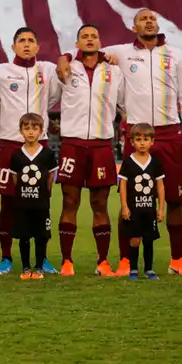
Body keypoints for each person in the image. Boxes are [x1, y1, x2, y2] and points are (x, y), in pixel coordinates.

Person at [61, 8, 182, 277]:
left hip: (170, 134)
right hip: (136, 136)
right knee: (132, 202)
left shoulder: (176, 54)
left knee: (174, 199)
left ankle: (177, 259)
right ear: (133, 27)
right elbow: (86, 50)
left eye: (153, 19)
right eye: (143, 19)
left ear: (158, 25)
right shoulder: (121, 52)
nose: (149, 22)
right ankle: (125, 260)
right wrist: (64, 56)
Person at [0, 26, 61, 275]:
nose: (26, 45)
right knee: (8, 203)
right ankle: (7, 257)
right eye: (21, 41)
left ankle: (42, 258)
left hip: (40, 146)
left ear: (38, 46)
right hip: (10, 144)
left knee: (42, 204)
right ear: (13, 47)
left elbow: (52, 97)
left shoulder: (48, 70)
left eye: (31, 40)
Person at [55, 24, 124, 277]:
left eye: (94, 36)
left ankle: (103, 261)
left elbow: (125, 101)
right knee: (69, 201)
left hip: (101, 144)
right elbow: (50, 96)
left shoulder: (114, 70)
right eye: (84, 36)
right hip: (72, 144)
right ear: (77, 44)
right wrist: (63, 58)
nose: (90, 39)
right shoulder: (66, 68)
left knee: (100, 203)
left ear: (100, 41)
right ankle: (66, 261)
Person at [7, 113, 57, 280]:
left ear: (41, 131)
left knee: (41, 236)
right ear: (21, 131)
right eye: (26, 128)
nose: (30, 132)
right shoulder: (16, 155)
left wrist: (45, 192)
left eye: (35, 129)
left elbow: (50, 176)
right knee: (24, 236)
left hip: (41, 204)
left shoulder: (47, 154)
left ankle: (39, 267)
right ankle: (26, 267)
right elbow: (15, 178)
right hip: (22, 204)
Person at [118, 123, 166, 280]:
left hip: (149, 210)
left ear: (152, 142)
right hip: (134, 210)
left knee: (149, 239)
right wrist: (124, 207)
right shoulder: (128, 162)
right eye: (138, 139)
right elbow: (123, 185)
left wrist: (161, 209)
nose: (142, 143)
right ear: (132, 142)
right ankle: (133, 269)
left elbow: (160, 186)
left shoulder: (156, 162)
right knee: (134, 239)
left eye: (146, 139)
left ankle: (149, 269)